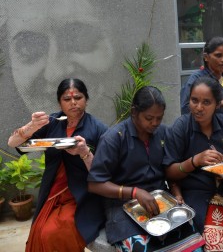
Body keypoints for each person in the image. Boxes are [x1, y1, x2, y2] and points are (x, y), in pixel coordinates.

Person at [88, 86, 205, 252]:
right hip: (122, 206)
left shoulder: (163, 133)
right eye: (149, 118)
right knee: (141, 247)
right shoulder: (114, 138)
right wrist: (134, 192)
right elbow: (95, 184)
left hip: (160, 202)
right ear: (134, 112)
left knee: (193, 247)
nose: (155, 123)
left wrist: (176, 192)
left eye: (159, 118)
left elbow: (169, 169)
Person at [8, 78, 108, 252]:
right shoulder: (52, 122)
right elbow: (13, 143)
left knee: (52, 233)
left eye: (78, 97)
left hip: (82, 197)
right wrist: (31, 127)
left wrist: (84, 153)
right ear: (59, 102)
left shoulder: (98, 129)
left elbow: (103, 175)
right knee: (39, 230)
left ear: (86, 99)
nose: (73, 103)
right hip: (52, 192)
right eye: (67, 99)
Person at [164, 76, 223, 235]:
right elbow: (169, 172)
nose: (199, 107)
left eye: (206, 102)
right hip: (195, 191)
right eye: (194, 100)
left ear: (217, 104)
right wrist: (195, 160)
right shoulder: (181, 128)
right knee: (202, 234)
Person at [180, 36, 223, 128]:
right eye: (218, 55)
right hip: (208, 135)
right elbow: (186, 109)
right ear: (206, 57)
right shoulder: (196, 80)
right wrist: (220, 103)